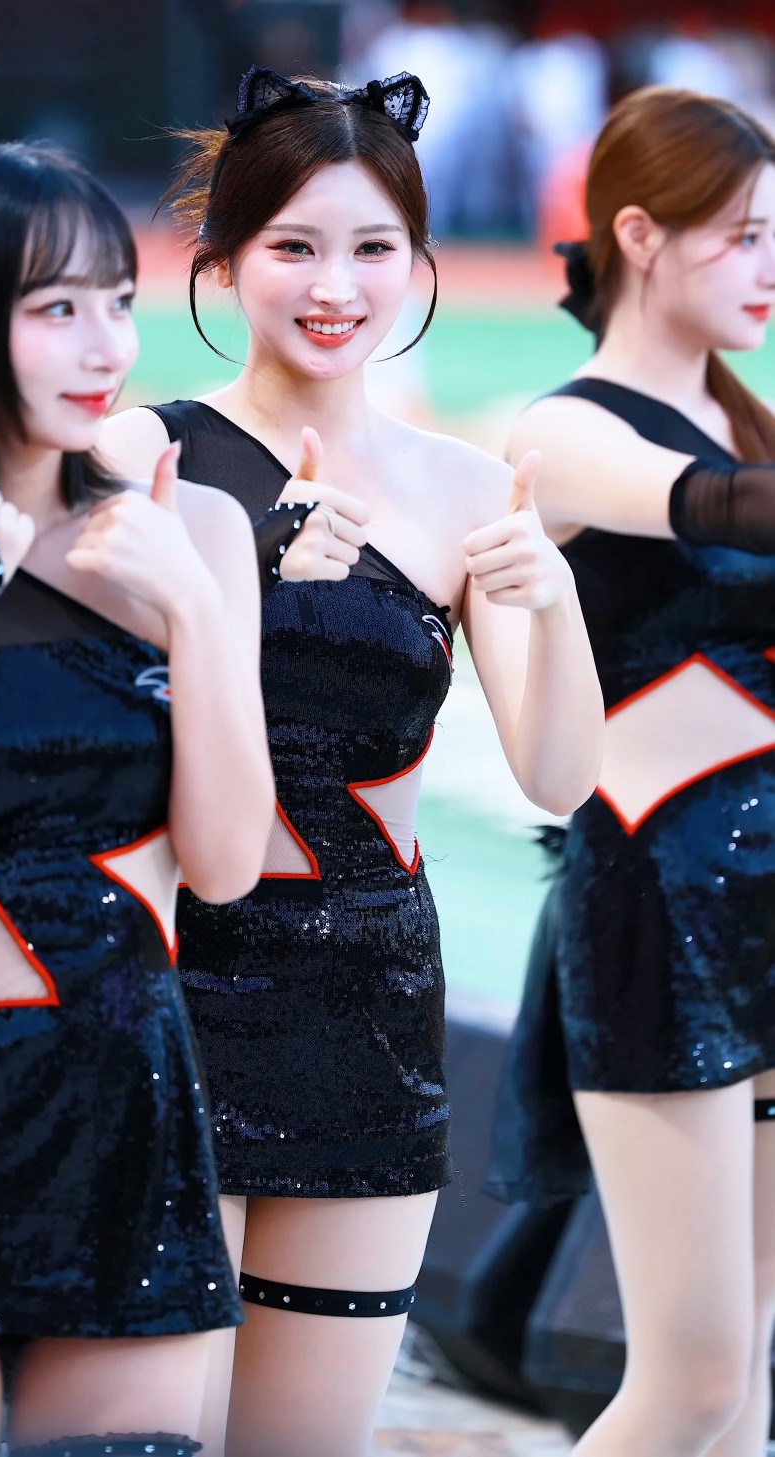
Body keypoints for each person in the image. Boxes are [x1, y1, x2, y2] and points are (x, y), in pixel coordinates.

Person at [101, 64, 603, 1457]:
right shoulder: (144, 455)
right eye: (295, 247)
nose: (337, 285)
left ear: (421, 263)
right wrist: (242, 571)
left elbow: (559, 777)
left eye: (375, 247)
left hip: (370, 1019)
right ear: (223, 260)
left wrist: (555, 602)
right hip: (163, 997)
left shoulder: (468, 487)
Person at [0, 142, 274, 1457]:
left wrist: (192, 609)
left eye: (118, 300)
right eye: (55, 308)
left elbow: (229, 862)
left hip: (122, 1103)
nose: (105, 346)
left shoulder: (190, 528)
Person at [498, 86, 775, 1457]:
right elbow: (715, 514)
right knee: (694, 1382)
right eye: (744, 235)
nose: (770, 266)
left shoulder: (743, 421)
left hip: (762, 900)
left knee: (752, 1372)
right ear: (640, 235)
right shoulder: (565, 430)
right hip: (659, 916)